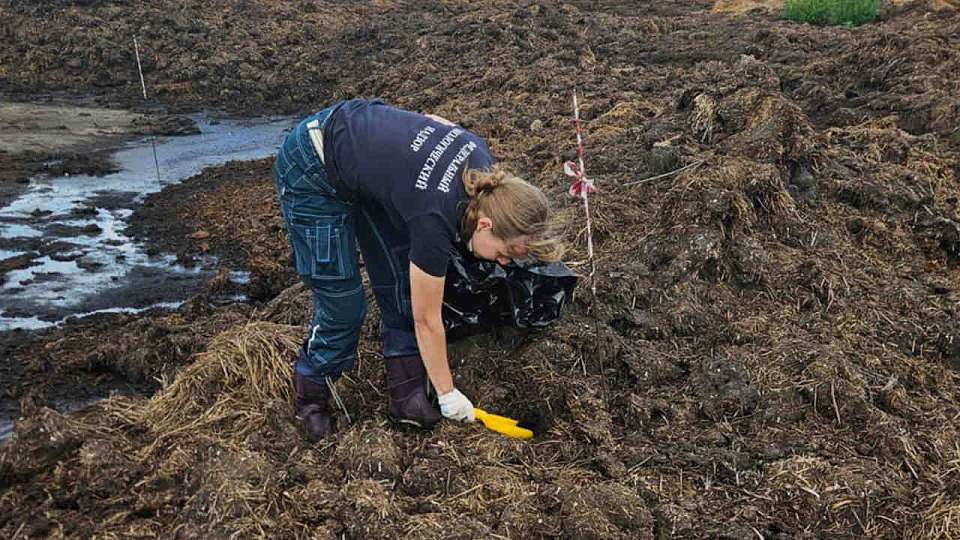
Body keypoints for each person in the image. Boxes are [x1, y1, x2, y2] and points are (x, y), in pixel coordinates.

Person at [274, 98, 563, 440]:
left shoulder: (481, 162)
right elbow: (427, 321)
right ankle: (312, 400)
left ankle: (407, 396)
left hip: (367, 165)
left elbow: (434, 120)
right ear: (484, 224)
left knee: (400, 283)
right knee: (343, 303)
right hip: (314, 163)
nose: (502, 263)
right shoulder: (433, 219)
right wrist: (447, 393)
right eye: (503, 254)